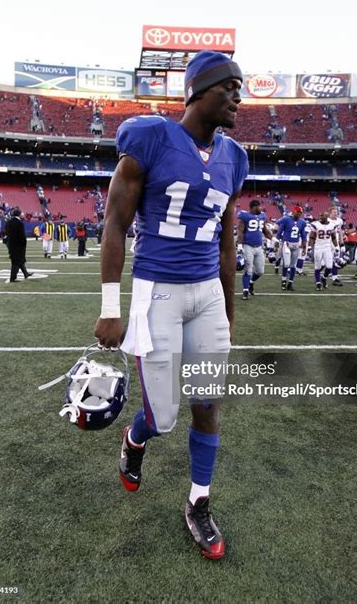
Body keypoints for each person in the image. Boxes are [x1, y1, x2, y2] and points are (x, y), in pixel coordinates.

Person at [94, 50, 247, 560]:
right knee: (162, 418)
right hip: (157, 290)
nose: (239, 99)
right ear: (200, 90)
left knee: (207, 405)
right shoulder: (151, 137)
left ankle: (198, 503)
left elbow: (227, 243)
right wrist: (110, 305)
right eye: (231, 88)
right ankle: (136, 439)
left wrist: (228, 308)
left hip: (205, 293)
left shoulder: (235, 157)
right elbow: (115, 223)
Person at [236, 199, 272, 299]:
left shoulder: (262, 216)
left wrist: (273, 238)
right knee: (248, 269)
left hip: (259, 247)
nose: (261, 208)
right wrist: (239, 245)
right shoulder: (245, 216)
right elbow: (240, 231)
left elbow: (265, 230)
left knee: (260, 271)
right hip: (248, 246)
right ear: (254, 207)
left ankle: (251, 283)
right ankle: (245, 291)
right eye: (259, 206)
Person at [276, 205, 307, 291]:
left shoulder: (302, 222)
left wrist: (304, 247)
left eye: (300, 213)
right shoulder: (286, 219)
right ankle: (283, 281)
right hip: (287, 243)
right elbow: (279, 232)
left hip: (296, 244)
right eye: (298, 213)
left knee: (293, 265)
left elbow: (303, 236)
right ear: (294, 212)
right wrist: (279, 242)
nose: (299, 215)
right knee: (286, 264)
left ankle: (290, 283)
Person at [309, 211, 338, 291]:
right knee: (317, 267)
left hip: (327, 247)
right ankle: (318, 283)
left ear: (326, 216)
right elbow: (312, 237)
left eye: (322, 216)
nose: (320, 217)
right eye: (320, 216)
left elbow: (333, 237)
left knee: (329, 266)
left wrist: (336, 246)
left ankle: (324, 278)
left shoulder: (332, 225)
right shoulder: (316, 224)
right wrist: (310, 247)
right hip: (318, 247)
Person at [5, 207, 32, 282]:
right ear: (19, 214)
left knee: (19, 261)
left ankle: (25, 273)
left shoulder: (9, 222)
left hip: (11, 244)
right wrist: (24, 243)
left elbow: (6, 232)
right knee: (16, 262)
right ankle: (12, 278)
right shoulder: (19, 223)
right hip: (18, 245)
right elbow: (21, 236)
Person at [328, 206, 344, 286]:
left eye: (336, 212)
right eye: (334, 212)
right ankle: (319, 277)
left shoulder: (339, 221)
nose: (336, 213)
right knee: (326, 262)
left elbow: (340, 231)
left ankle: (335, 278)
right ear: (330, 213)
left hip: (336, 243)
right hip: (327, 243)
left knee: (336, 261)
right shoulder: (327, 221)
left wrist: (342, 243)